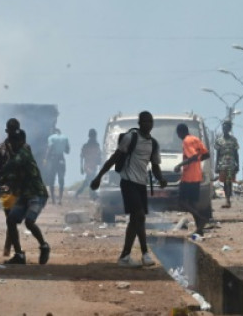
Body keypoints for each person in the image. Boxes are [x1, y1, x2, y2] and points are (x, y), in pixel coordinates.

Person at [90, 111, 167, 267]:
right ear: (139, 123)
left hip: (141, 184)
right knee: (139, 216)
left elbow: (156, 167)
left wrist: (161, 179)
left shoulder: (153, 144)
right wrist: (99, 177)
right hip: (128, 182)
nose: (147, 124)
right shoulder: (131, 138)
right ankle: (145, 254)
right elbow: (115, 158)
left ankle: (125, 257)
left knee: (135, 220)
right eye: (144, 121)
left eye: (150, 121)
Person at [0, 122, 51, 265]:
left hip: (37, 193)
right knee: (11, 220)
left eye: (16, 141)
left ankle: (44, 246)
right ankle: (19, 254)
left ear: (22, 141)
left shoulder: (23, 153)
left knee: (29, 222)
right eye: (12, 140)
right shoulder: (2, 149)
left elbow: (10, 166)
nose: (14, 143)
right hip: (23, 193)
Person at [0, 119, 27, 257]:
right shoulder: (0, 149)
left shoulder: (24, 148)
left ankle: (8, 246)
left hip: (16, 189)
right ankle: (17, 250)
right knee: (11, 220)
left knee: (11, 221)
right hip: (8, 188)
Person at [174, 123, 210, 235]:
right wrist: (197, 161)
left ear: (180, 132)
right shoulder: (196, 139)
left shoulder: (186, 141)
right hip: (197, 175)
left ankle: (201, 218)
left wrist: (179, 165)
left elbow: (193, 156)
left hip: (188, 176)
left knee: (182, 202)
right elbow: (206, 155)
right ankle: (199, 229)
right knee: (192, 203)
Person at [214, 121, 240, 208]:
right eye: (223, 128)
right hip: (222, 164)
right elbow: (217, 154)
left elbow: (236, 153)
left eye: (226, 128)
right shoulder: (219, 140)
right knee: (224, 183)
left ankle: (228, 200)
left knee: (229, 181)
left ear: (229, 129)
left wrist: (238, 165)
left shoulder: (233, 140)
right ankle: (227, 198)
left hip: (231, 164)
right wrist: (216, 166)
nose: (224, 129)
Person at [44, 128, 71, 204]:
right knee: (61, 179)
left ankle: (53, 200)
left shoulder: (51, 137)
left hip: (53, 159)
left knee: (52, 179)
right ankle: (60, 199)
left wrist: (46, 159)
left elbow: (50, 147)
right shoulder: (65, 138)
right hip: (61, 159)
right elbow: (67, 150)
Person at [77, 129, 103, 199]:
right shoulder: (86, 146)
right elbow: (82, 156)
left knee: (87, 181)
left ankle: (78, 193)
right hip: (88, 166)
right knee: (91, 179)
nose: (93, 137)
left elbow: (99, 155)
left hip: (93, 166)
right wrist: (81, 167)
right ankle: (92, 195)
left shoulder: (96, 145)